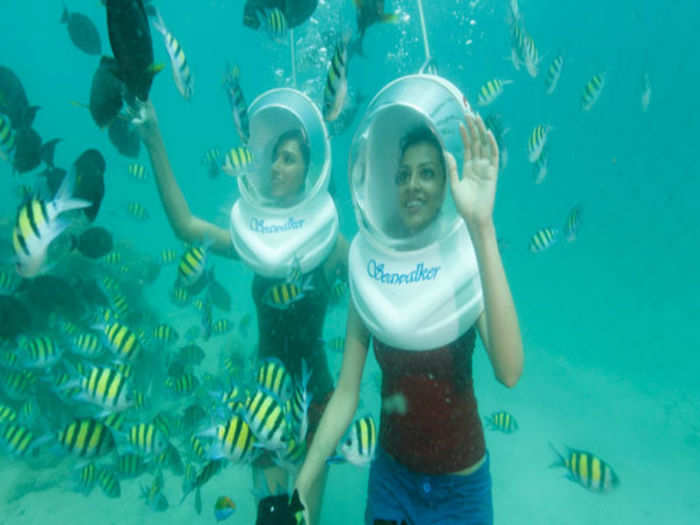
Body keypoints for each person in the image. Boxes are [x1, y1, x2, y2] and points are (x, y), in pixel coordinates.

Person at [294, 76, 523, 524]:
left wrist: (482, 226)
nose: (413, 185)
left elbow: (510, 371)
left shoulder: (466, 259)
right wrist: (304, 480)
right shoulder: (369, 265)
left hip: (462, 488)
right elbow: (345, 394)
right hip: (391, 481)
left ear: (445, 184)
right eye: (403, 175)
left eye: (427, 173)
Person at [135, 88, 346, 525]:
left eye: (288, 158)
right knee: (271, 519)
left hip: (315, 399)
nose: (275, 166)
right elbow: (185, 227)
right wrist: (153, 137)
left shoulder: (331, 246)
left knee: (305, 521)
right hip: (263, 400)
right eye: (273, 157)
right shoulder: (255, 242)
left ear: (310, 169)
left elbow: (379, 274)